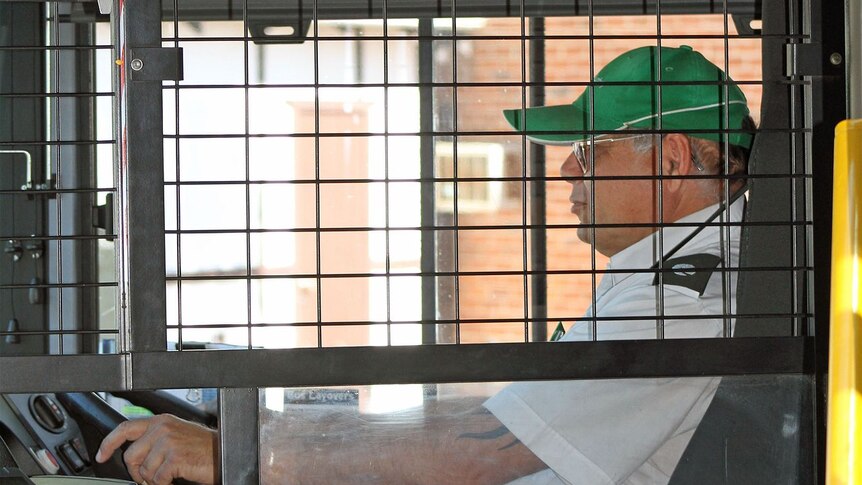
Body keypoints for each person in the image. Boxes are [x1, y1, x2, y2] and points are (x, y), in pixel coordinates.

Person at [96, 45, 754, 485]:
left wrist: (242, 451)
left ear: (670, 159)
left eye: (591, 148)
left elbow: (482, 445)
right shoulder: (674, 276)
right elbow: (508, 417)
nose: (566, 169)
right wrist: (278, 429)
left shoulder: (684, 296)